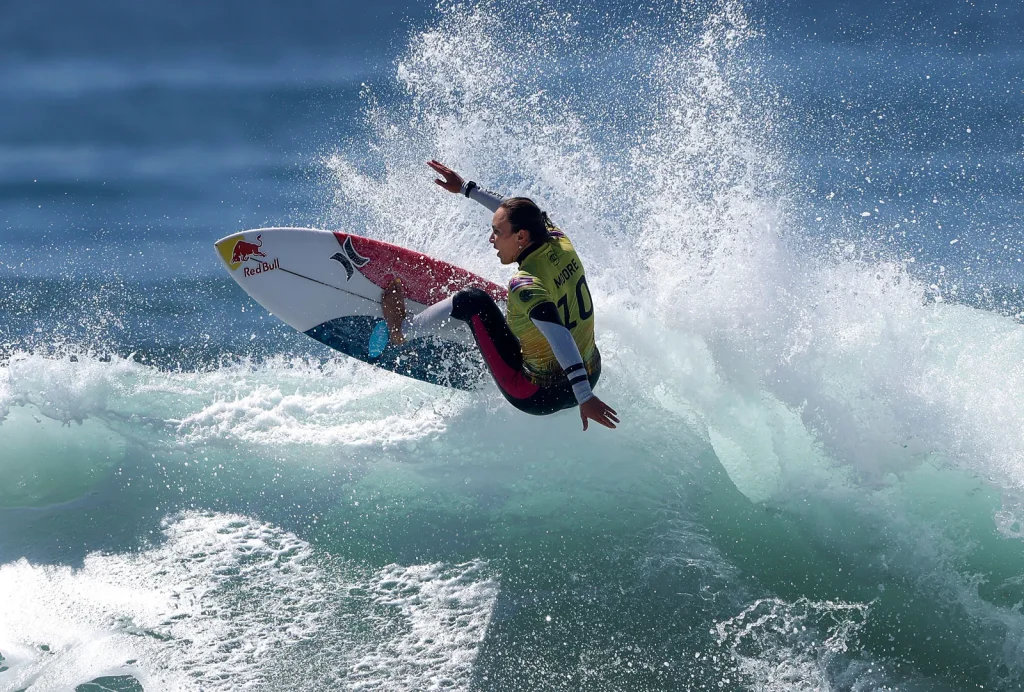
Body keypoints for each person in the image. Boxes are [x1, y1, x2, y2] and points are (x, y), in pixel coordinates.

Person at [381, 160, 619, 431]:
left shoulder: (525, 283)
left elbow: (558, 334)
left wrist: (584, 397)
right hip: (591, 372)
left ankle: (402, 329)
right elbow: (519, 212)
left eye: (497, 232)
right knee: (529, 310)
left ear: (521, 237)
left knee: (472, 299)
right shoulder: (558, 239)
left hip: (537, 395)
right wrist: (465, 189)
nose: (491, 239)